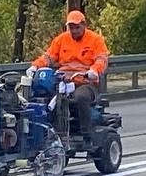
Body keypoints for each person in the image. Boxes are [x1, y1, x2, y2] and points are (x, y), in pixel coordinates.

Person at [29, 9, 110, 139]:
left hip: (85, 82)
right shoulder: (61, 40)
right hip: (63, 81)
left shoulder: (95, 40)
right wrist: (35, 66)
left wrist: (94, 71)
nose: (74, 31)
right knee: (41, 97)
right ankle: (48, 132)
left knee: (81, 97)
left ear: (84, 25)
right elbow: (49, 57)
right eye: (71, 27)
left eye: (77, 27)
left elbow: (102, 59)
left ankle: (86, 133)